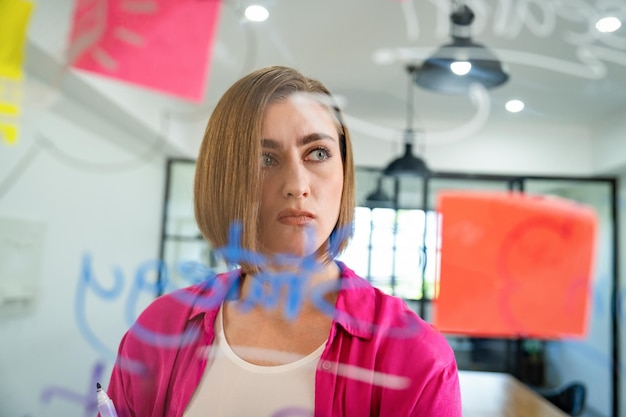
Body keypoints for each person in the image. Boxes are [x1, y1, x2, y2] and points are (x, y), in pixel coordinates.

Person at [102, 65, 462, 416]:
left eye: (318, 153)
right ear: (225, 178)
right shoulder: (160, 330)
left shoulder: (415, 356)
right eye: (265, 159)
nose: (296, 185)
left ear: (344, 170)